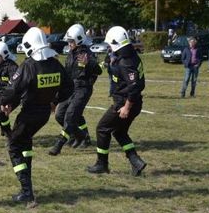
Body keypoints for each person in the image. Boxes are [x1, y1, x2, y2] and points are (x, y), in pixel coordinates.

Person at [0, 27, 72, 204]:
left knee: (14, 146)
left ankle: (26, 191)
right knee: (25, 142)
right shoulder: (55, 64)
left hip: (30, 113)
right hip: (44, 113)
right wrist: (54, 101)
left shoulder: (29, 66)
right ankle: (27, 187)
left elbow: (13, 90)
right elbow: (69, 87)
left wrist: (3, 103)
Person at [87, 26, 146, 176]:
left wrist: (126, 107)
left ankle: (102, 164)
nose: (109, 47)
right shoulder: (128, 55)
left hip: (125, 103)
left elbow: (134, 87)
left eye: (110, 44)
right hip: (134, 102)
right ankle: (136, 162)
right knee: (119, 132)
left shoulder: (126, 62)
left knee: (102, 128)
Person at [49, 24, 101, 156]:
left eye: (71, 41)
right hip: (70, 88)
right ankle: (80, 136)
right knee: (60, 115)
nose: (69, 43)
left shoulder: (87, 53)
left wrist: (88, 63)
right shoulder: (71, 54)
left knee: (71, 116)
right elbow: (67, 73)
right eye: (68, 41)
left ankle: (59, 144)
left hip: (83, 89)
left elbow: (98, 70)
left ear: (78, 39)